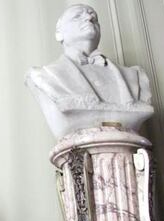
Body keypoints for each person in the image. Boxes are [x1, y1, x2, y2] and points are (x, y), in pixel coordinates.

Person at [25, 4, 153, 138]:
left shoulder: (135, 76)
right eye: (77, 16)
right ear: (59, 34)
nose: (89, 17)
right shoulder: (44, 76)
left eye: (93, 16)